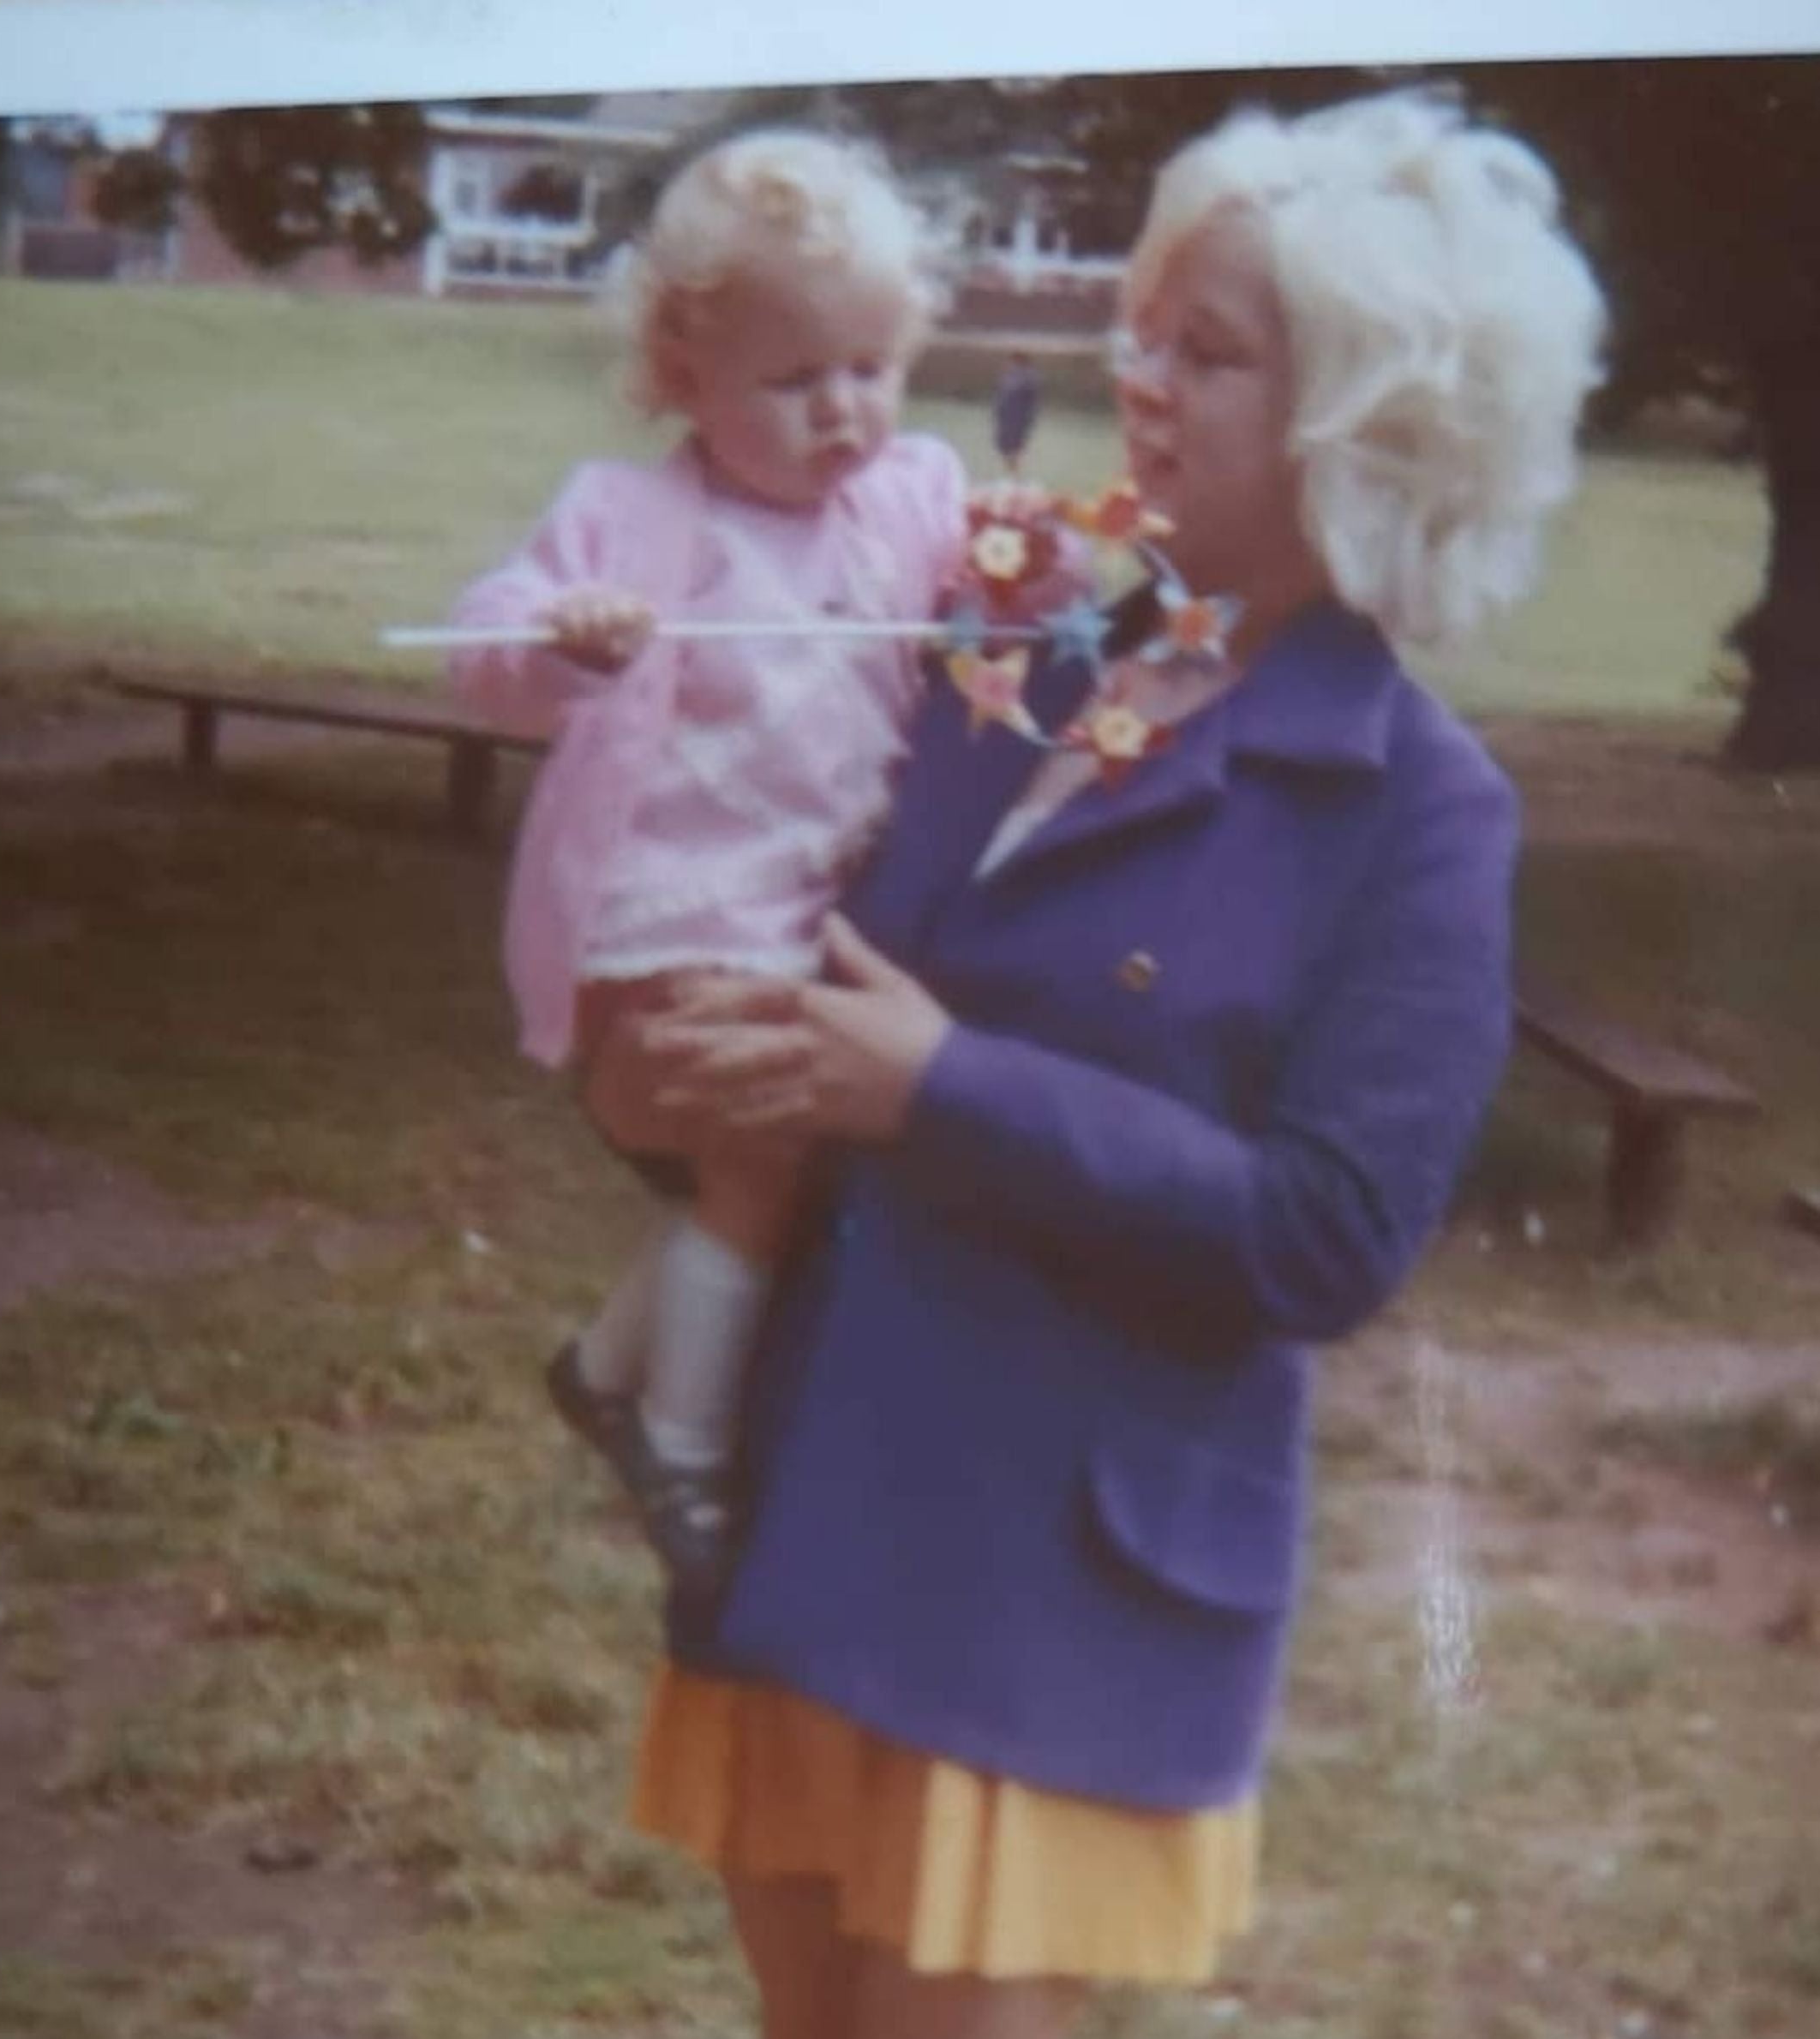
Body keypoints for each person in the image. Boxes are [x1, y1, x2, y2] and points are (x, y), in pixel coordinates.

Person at [584, 87, 1606, 2039]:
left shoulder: (1418, 810)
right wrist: (668, 1069)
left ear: (1366, 421)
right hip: (822, 1499)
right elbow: (770, 912)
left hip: (1056, 1595)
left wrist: (940, 1089)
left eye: (1204, 352)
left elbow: (1327, 1238)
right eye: (1143, 328)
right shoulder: (1007, 637)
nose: (1135, 380)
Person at [446, 129, 977, 1594]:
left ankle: (611, 1368)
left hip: (814, 916)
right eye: (796, 380)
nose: (845, 411)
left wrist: (1026, 572)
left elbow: (996, 588)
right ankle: (682, 1445)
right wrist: (561, 637)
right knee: (763, 1142)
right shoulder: (632, 520)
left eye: (871, 367)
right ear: (685, 376)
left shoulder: (911, 499)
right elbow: (485, 650)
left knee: (782, 1168)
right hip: (663, 916)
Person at [991, 350, 1041, 475]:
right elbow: (1000, 395)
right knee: (1003, 447)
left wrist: (1029, 419)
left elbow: (1032, 402)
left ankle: (1015, 475)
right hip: (1005, 417)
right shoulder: (1008, 376)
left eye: (1012, 362)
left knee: (1015, 448)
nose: (1008, 364)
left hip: (1018, 418)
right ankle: (1010, 474)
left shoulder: (1029, 377)